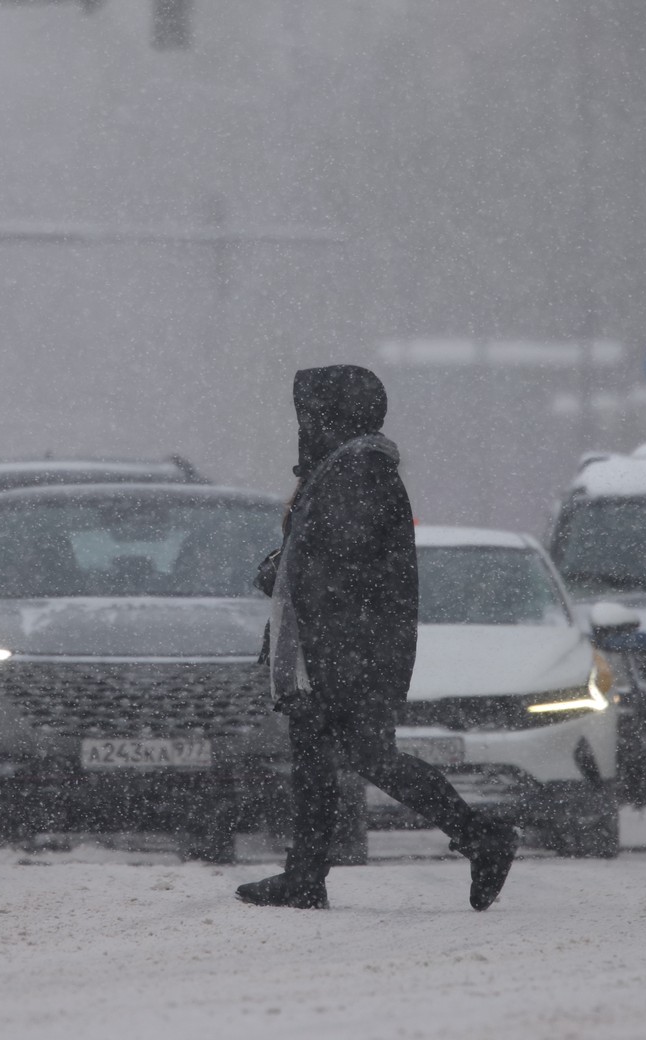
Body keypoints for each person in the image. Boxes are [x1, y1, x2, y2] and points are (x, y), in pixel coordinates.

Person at [237, 365, 519, 911]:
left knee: (367, 756)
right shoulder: (340, 469)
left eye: (310, 415)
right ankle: (305, 876)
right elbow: (330, 553)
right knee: (317, 762)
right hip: (338, 648)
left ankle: (481, 836)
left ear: (334, 416)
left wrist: (290, 576)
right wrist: (287, 566)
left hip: (348, 651)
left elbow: (347, 563)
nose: (303, 425)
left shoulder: (357, 471)